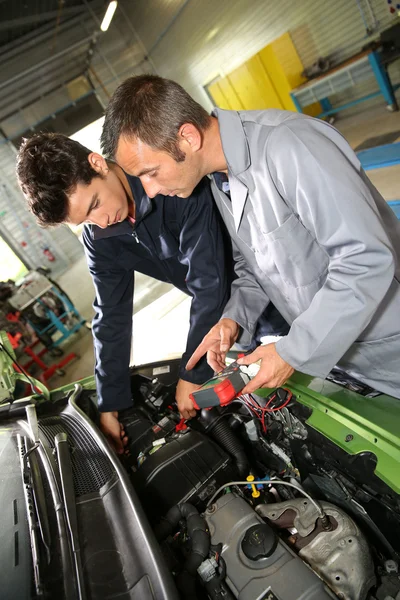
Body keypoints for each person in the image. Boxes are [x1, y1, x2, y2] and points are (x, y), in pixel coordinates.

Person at [99, 74, 400, 400]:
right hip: (345, 357)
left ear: (187, 137)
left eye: (151, 173)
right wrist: (233, 319)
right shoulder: (218, 180)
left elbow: (365, 259)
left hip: (388, 343)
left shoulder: (289, 146)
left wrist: (292, 351)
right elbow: (255, 266)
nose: (150, 190)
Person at [16, 133, 234, 452]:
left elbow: (210, 281)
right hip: (225, 313)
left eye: (95, 204)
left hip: (257, 278)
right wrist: (109, 404)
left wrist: (192, 372)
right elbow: (111, 318)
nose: (100, 221)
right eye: (85, 220)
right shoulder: (100, 236)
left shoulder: (164, 179)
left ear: (97, 163)